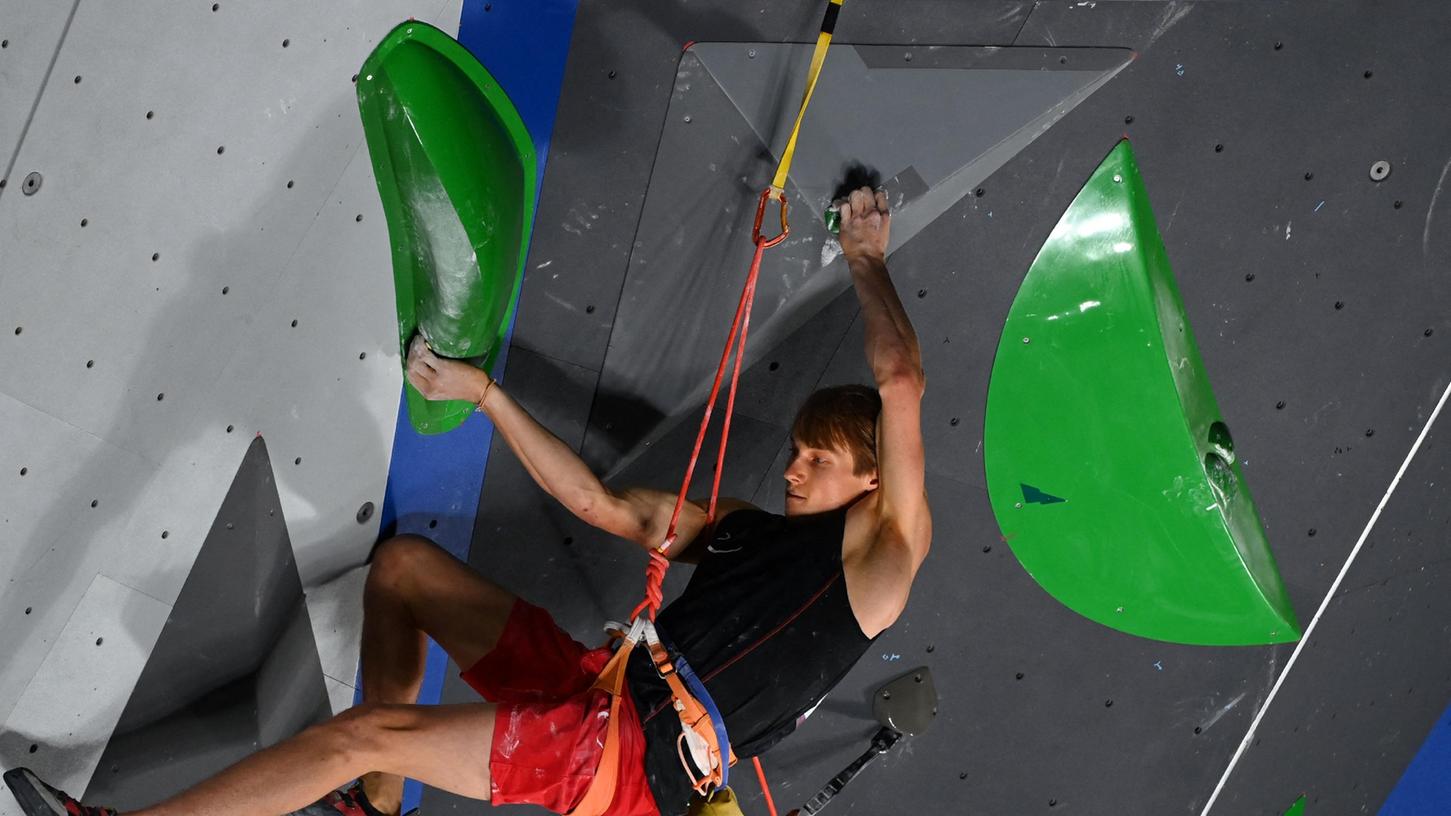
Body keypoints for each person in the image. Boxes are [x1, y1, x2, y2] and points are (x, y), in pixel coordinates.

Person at [3, 186, 929, 816]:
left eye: (820, 458)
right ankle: (375, 809)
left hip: (625, 765)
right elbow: (601, 505)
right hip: (600, 694)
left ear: (876, 478)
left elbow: (899, 378)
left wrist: (863, 257)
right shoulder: (741, 531)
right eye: (798, 450)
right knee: (403, 573)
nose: (793, 467)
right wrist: (485, 396)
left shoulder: (882, 567)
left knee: (363, 733)